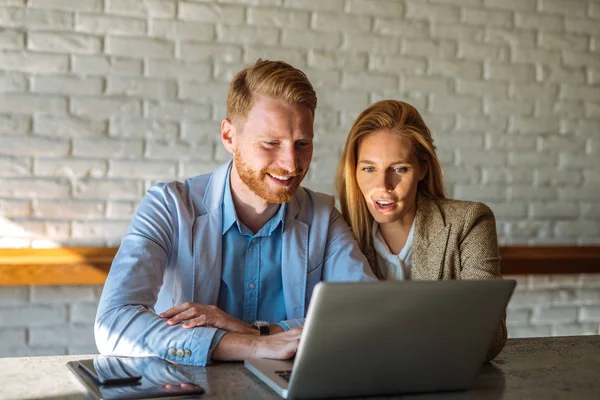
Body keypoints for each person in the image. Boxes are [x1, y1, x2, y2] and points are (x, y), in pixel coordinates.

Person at [95, 59, 376, 367]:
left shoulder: (323, 216)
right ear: (229, 136)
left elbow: (369, 319)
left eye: (302, 144)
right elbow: (113, 324)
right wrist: (252, 346)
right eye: (271, 143)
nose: (292, 164)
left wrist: (258, 333)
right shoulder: (169, 206)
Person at [335, 99, 507, 361]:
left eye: (399, 169)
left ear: (422, 169)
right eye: (369, 168)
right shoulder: (339, 233)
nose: (383, 185)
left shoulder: (470, 222)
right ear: (354, 171)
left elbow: (489, 333)